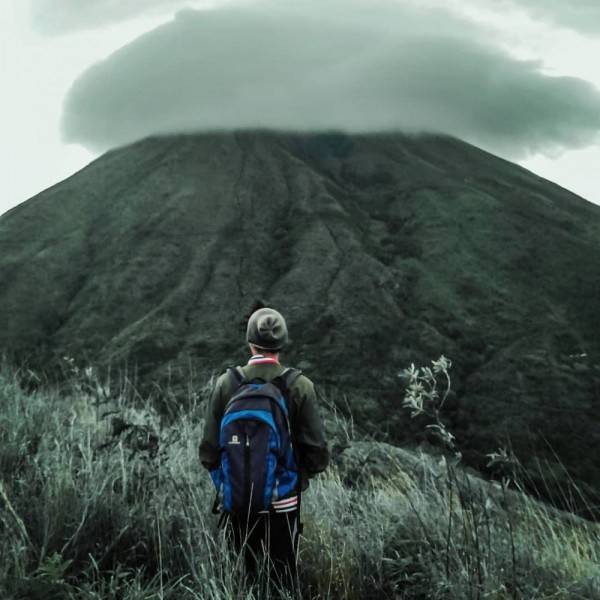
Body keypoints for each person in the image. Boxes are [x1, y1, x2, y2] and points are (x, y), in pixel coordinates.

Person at [199, 306, 329, 593]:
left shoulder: (226, 384)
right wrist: (295, 480)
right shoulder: (300, 386)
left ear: (250, 342)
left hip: (237, 504)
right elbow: (318, 455)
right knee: (281, 582)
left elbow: (208, 453)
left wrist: (231, 483)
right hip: (283, 505)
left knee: (241, 582)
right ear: (282, 344)